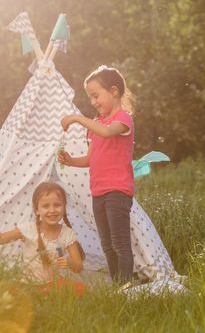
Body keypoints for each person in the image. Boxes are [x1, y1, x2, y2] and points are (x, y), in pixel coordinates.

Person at [58, 65, 135, 285]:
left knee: (120, 243)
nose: (93, 102)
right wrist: (71, 160)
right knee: (107, 244)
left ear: (114, 91)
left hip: (118, 191)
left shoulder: (123, 119)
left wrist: (76, 117)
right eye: (90, 97)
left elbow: (108, 132)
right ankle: (119, 286)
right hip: (98, 191)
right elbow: (91, 159)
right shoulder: (97, 124)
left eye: (95, 95)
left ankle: (126, 288)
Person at [0, 182, 85, 295]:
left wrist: (69, 262)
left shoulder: (67, 233)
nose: (52, 210)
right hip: (29, 286)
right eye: (46, 206)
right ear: (37, 210)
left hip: (53, 285)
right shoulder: (28, 229)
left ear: (64, 207)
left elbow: (78, 268)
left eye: (57, 205)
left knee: (81, 289)